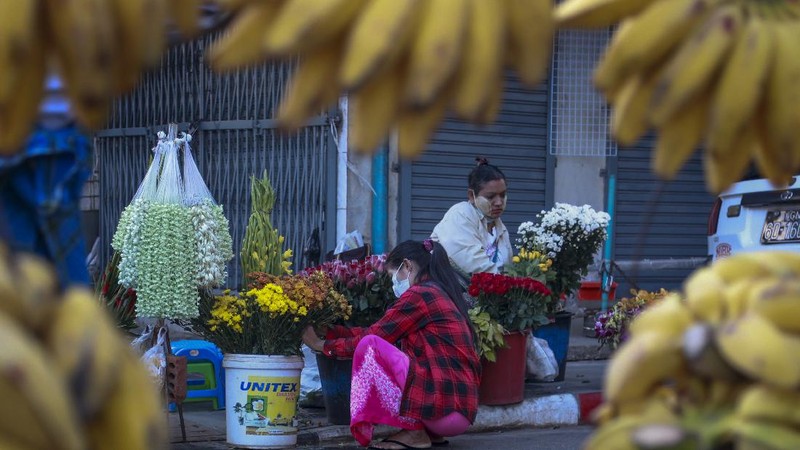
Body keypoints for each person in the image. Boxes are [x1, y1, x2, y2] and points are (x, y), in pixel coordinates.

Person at [302, 239, 480, 450]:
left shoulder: (420, 294)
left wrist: (321, 345)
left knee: (370, 347)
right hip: (458, 411)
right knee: (377, 344)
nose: (393, 284)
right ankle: (427, 432)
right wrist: (332, 332)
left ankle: (414, 432)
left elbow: (372, 337)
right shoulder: (439, 292)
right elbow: (381, 330)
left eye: (392, 275)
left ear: (407, 266)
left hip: (444, 410)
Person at [430, 157, 513, 281]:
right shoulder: (460, 214)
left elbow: (508, 268)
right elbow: (473, 263)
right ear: (471, 196)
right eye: (491, 197)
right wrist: (507, 286)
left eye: (502, 195)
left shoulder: (499, 227)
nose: (499, 202)